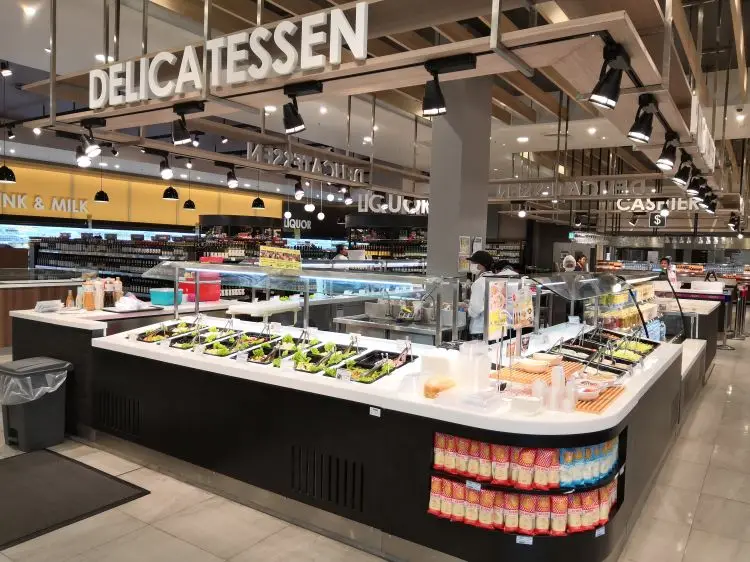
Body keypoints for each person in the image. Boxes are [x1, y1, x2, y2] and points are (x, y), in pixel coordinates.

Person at [466, 250, 494, 339]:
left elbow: (475, 309)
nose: (471, 265)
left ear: (481, 265)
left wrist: (467, 308)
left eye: (473, 263)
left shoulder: (479, 283)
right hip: (494, 328)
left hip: (479, 329)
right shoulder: (495, 279)